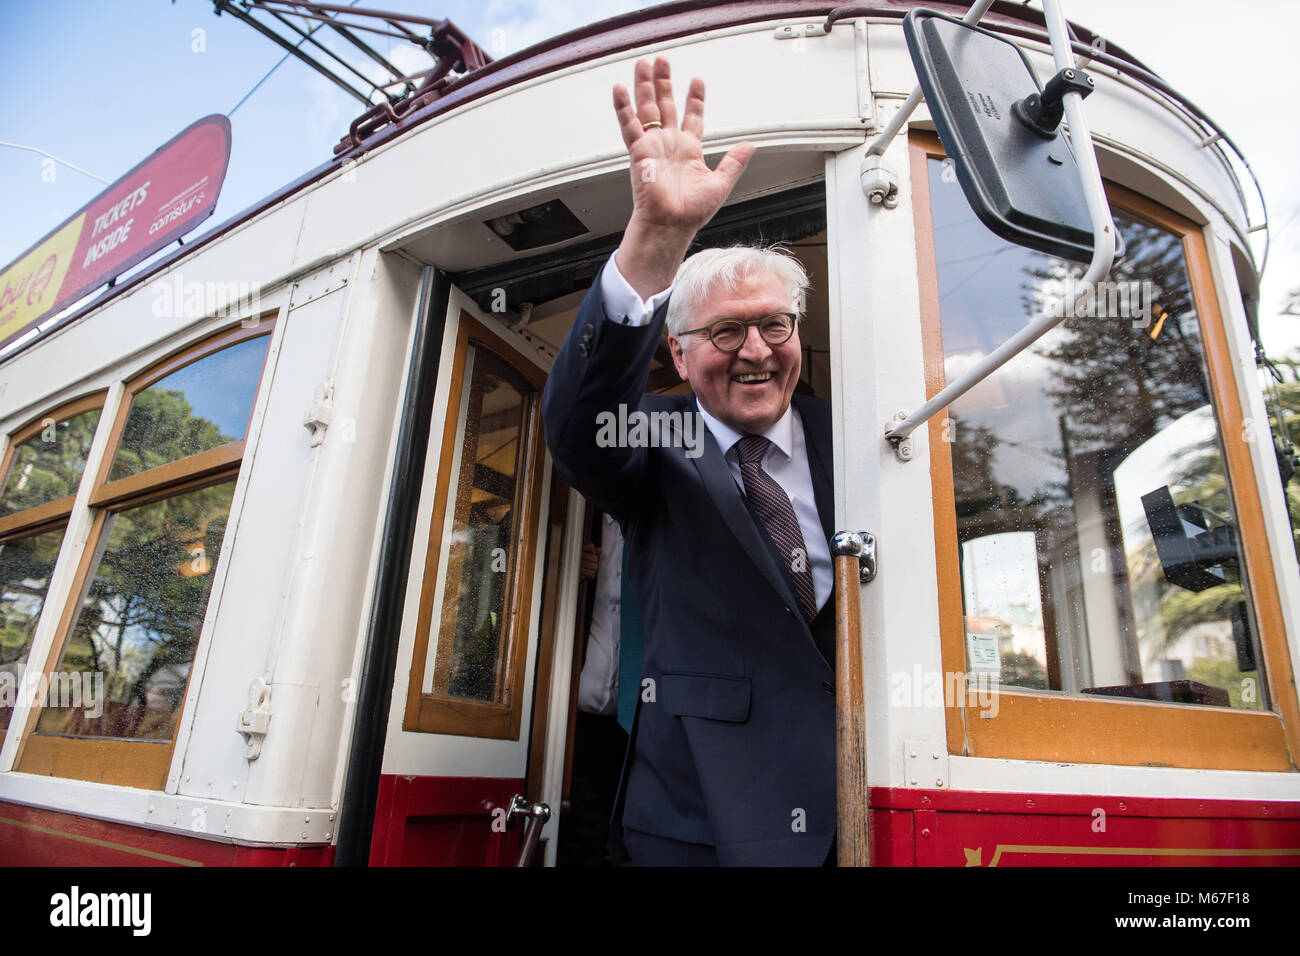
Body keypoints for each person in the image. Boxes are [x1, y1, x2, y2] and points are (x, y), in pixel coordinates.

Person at [543, 57, 836, 866]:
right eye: (725, 332)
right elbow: (578, 424)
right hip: (698, 823)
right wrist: (657, 241)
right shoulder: (665, 436)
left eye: (774, 326)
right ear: (675, 350)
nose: (755, 351)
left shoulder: (857, 437)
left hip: (864, 803)